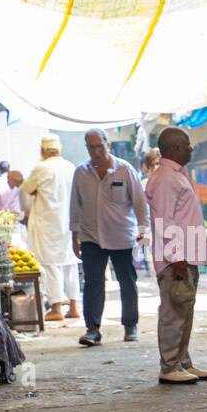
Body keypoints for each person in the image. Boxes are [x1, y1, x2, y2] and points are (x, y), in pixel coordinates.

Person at [146, 127, 207, 384]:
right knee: (174, 312)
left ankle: (182, 361)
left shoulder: (177, 175)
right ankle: (169, 365)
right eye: (187, 145)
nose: (191, 149)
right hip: (176, 259)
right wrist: (176, 257)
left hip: (186, 256)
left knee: (184, 309)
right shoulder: (165, 178)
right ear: (174, 149)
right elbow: (165, 220)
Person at [71, 129, 149, 346]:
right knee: (93, 283)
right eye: (91, 147)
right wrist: (74, 236)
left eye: (100, 146)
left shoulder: (124, 170)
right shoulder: (81, 173)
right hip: (91, 237)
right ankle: (93, 329)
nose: (96, 151)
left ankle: (130, 325)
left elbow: (140, 203)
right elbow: (75, 207)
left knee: (127, 281)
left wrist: (144, 230)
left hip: (122, 236)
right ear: (87, 148)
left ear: (108, 145)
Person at [20, 135, 79, 322]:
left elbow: (27, 188)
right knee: (70, 263)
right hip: (69, 222)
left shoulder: (41, 167)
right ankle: (74, 306)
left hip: (47, 222)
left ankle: (56, 308)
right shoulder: (70, 166)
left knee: (50, 263)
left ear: (43, 150)